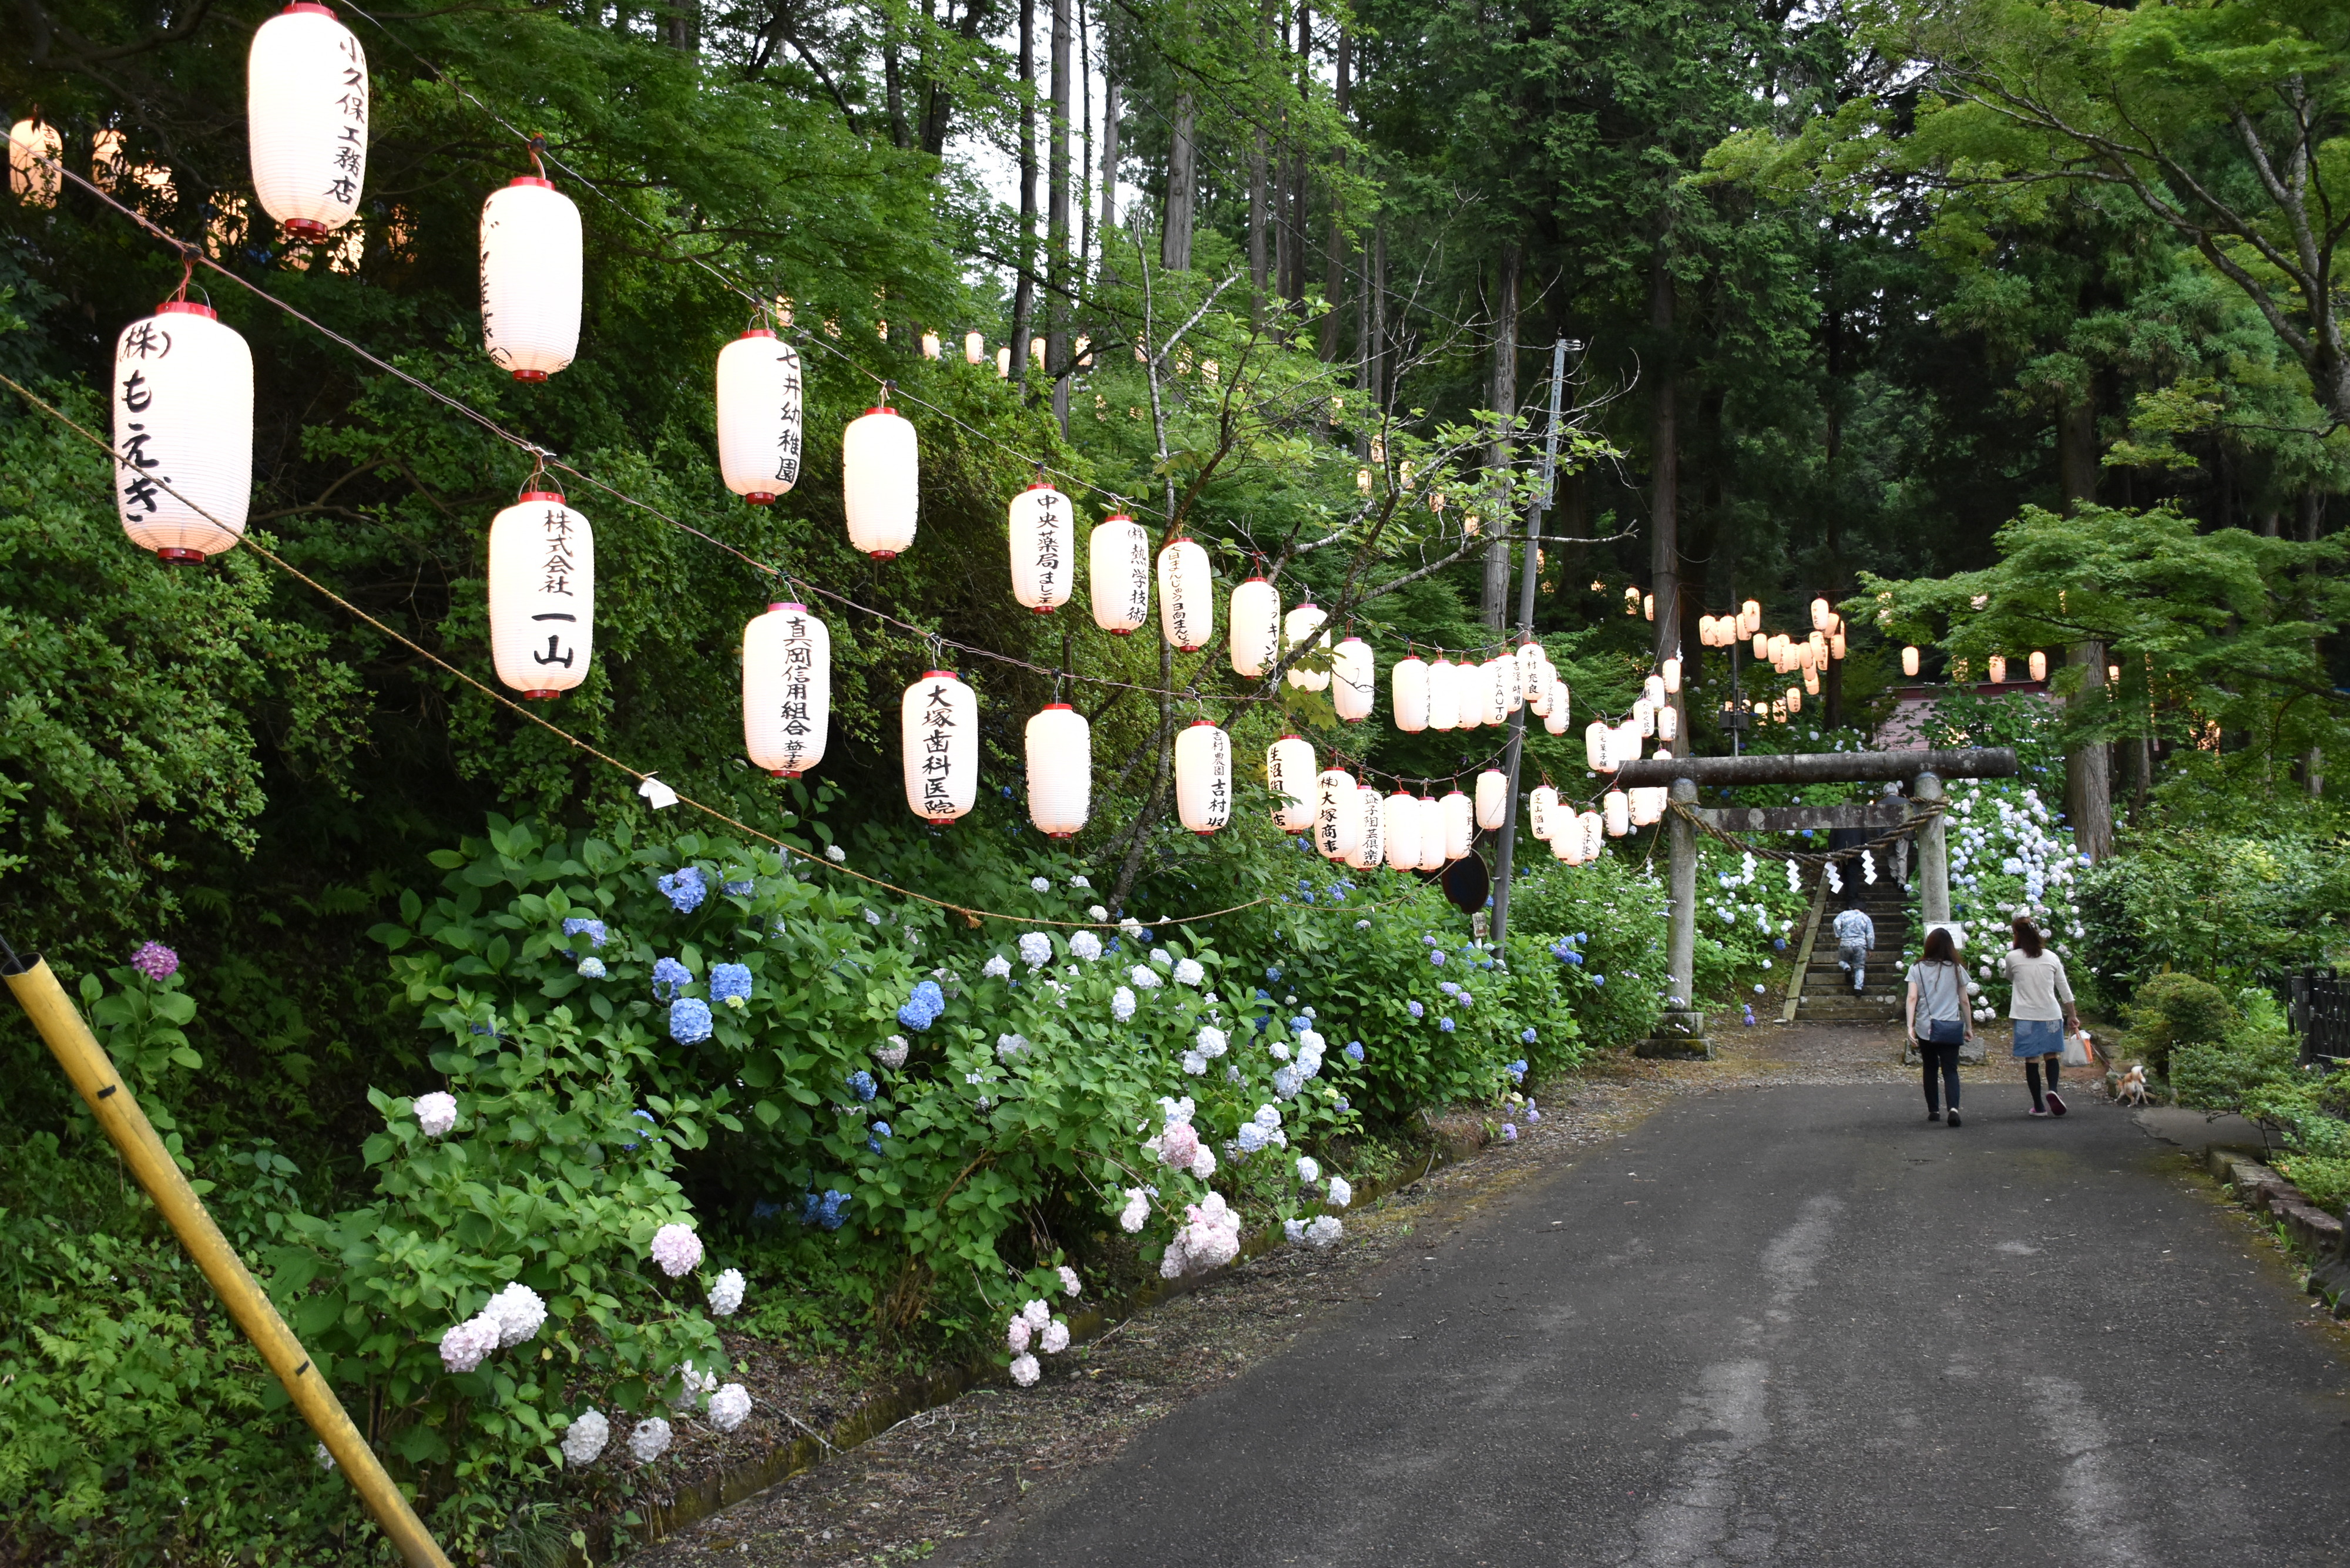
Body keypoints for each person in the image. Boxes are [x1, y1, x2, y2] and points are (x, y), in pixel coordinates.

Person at [2005, 916, 2081, 1117]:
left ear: (2018, 935)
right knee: (2051, 1055)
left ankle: (2038, 1106)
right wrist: (2072, 1016)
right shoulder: (2052, 957)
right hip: (2051, 1014)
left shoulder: (2012, 958)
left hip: (2024, 1016)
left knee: (2032, 1059)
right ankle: (2053, 1090)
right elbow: (2064, 989)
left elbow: (2009, 977)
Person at [1906, 926, 1972, 1127]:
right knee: (1951, 1069)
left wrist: (1910, 1027)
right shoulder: (1956, 969)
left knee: (1930, 1067)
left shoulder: (1916, 968)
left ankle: (1934, 1110)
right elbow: (1964, 1000)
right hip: (1951, 1027)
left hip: (1927, 1026)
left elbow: (1912, 997)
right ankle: (1953, 1108)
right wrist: (1969, 1026)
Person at [1832, 897, 1875, 996]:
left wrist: (1838, 936)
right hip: (1860, 945)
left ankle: (1847, 967)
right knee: (1860, 967)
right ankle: (1858, 988)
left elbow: (1836, 923)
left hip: (1845, 942)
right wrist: (1870, 948)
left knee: (1842, 961)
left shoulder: (1844, 914)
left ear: (1852, 907)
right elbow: (1870, 935)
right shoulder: (1866, 918)